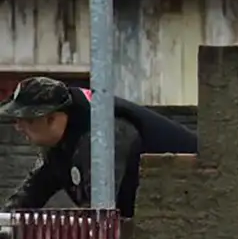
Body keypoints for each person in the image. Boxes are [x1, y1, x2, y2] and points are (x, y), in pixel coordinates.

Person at [2, 76, 198, 218]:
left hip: (192, 208)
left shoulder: (103, 134)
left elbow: (99, 212)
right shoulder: (61, 143)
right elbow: (29, 195)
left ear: (52, 118)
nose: (18, 127)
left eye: (26, 119)